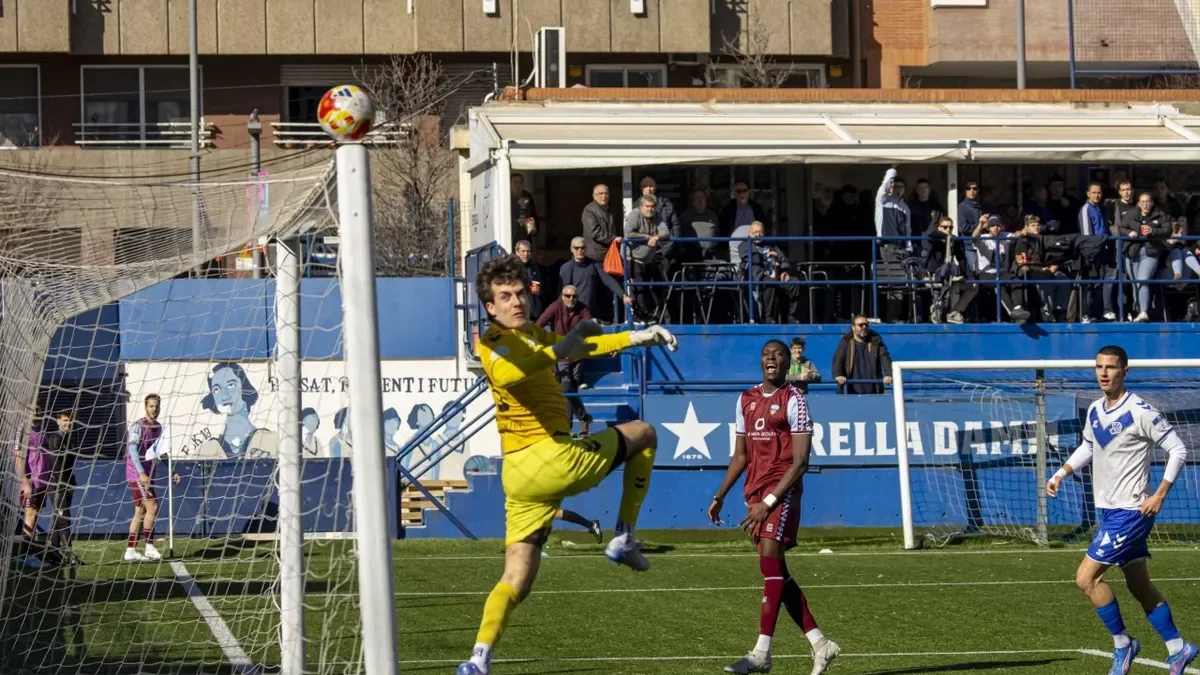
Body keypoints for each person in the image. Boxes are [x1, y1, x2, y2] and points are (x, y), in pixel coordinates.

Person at [456, 255, 679, 675]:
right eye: (505, 297)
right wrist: (560, 348)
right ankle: (624, 536)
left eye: (520, 292)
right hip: (548, 457)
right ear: (490, 307)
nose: (516, 301)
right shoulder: (491, 341)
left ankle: (478, 658)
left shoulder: (533, 333)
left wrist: (637, 337)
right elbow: (508, 374)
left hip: (520, 477)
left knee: (516, 579)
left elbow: (583, 346)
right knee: (645, 434)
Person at [1046, 346, 1196, 675]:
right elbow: (1088, 445)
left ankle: (1123, 644)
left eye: (1111, 367)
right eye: (1099, 367)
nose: (1103, 373)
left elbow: (1178, 449)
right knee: (1139, 585)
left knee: (1086, 579)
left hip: (1131, 511)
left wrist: (1158, 495)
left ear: (1124, 370)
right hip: (1110, 511)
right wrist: (1061, 473)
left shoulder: (1141, 411)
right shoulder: (1096, 410)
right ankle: (1178, 648)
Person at [707, 340, 839, 675]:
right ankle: (820, 644)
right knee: (775, 571)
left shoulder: (794, 399)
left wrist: (768, 503)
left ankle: (761, 653)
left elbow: (801, 462)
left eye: (778, 354)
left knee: (770, 560)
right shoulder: (745, 400)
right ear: (760, 362)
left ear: (786, 363)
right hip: (755, 492)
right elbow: (741, 455)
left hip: (783, 490)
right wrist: (720, 494)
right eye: (766, 354)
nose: (771, 358)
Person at [124, 394, 181, 562]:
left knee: (139, 512)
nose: (154, 409)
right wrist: (141, 473)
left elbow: (159, 452)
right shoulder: (138, 426)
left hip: (149, 475)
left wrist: (172, 471)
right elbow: (132, 450)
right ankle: (149, 546)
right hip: (137, 474)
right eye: (151, 406)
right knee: (153, 507)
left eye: (156, 406)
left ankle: (130, 550)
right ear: (145, 407)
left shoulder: (158, 427)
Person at [13, 403, 51, 568]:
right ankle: (27, 554)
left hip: (42, 481)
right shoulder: (22, 429)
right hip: (31, 482)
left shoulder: (42, 427)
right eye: (32, 409)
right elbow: (18, 458)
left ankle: (28, 552)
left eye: (38, 409)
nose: (35, 412)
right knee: (30, 516)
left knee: (35, 517)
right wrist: (25, 482)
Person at [47, 408, 82, 566]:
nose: (67, 423)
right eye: (65, 420)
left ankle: (53, 553)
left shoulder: (71, 438)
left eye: (70, 420)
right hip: (57, 485)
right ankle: (69, 554)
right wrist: (63, 483)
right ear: (58, 421)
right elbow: (57, 465)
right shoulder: (55, 438)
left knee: (58, 519)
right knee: (64, 519)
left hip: (67, 483)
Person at [832, 315, 893, 395]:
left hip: (873, 391)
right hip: (850, 391)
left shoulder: (876, 341)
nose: (864, 327)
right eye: (860, 325)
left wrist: (889, 374)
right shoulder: (846, 342)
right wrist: (838, 375)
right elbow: (838, 360)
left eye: (866, 325)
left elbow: (885, 358)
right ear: (853, 327)